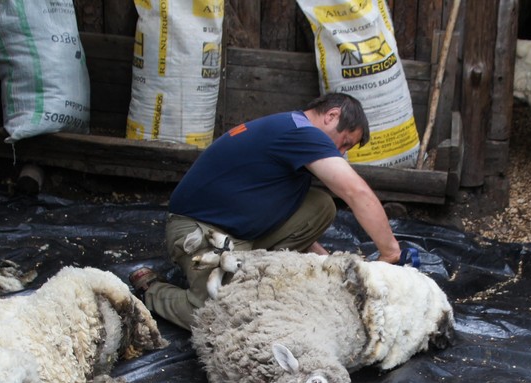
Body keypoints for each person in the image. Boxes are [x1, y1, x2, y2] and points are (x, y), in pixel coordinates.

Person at [130, 93, 413, 330]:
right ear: (332, 116)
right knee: (220, 314)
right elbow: (356, 192)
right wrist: (390, 253)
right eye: (345, 143)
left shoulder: (292, 139)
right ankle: (152, 291)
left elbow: (285, 216)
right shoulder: (302, 133)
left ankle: (250, 272)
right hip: (198, 231)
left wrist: (335, 267)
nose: (340, 153)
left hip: (239, 232)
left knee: (320, 205)